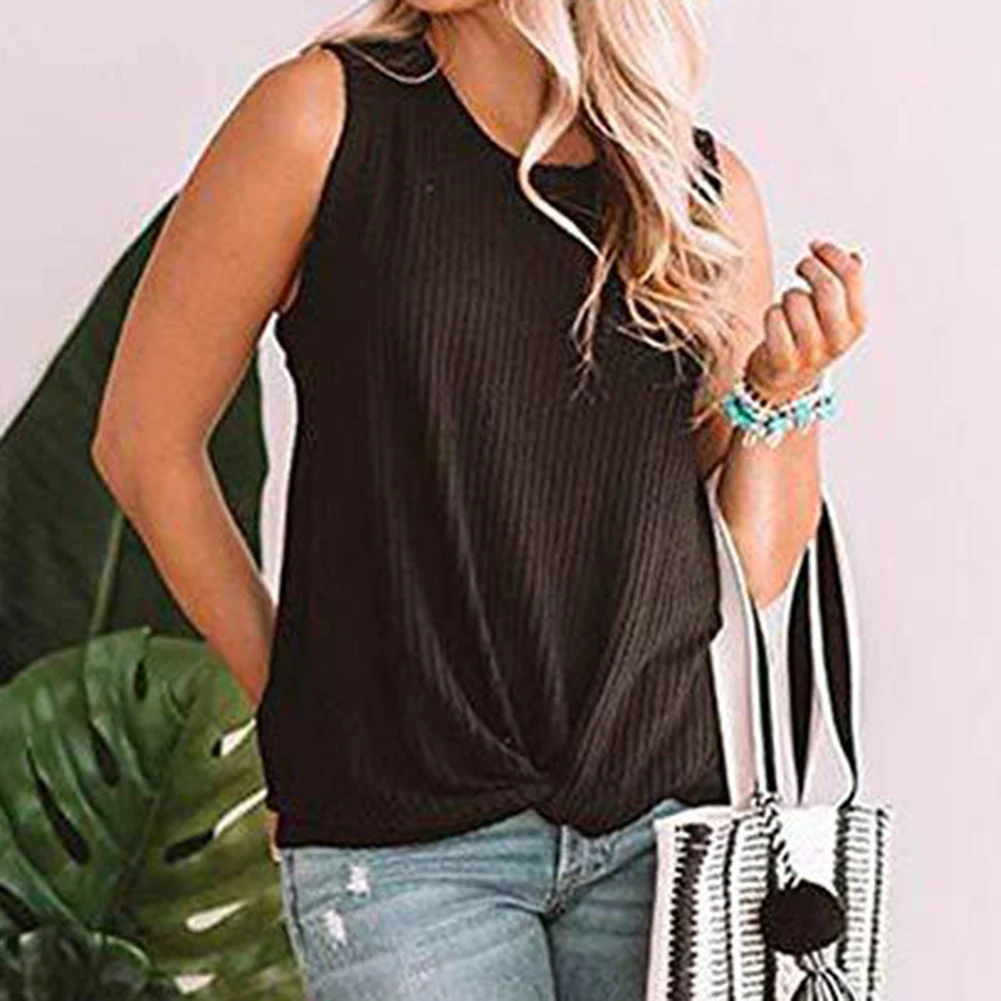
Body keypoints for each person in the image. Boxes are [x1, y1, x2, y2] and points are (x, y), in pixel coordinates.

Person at [91, 1, 868, 999]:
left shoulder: (697, 188)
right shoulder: (316, 119)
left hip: (662, 830)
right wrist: (289, 706)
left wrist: (784, 392)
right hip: (406, 852)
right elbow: (144, 444)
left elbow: (745, 568)